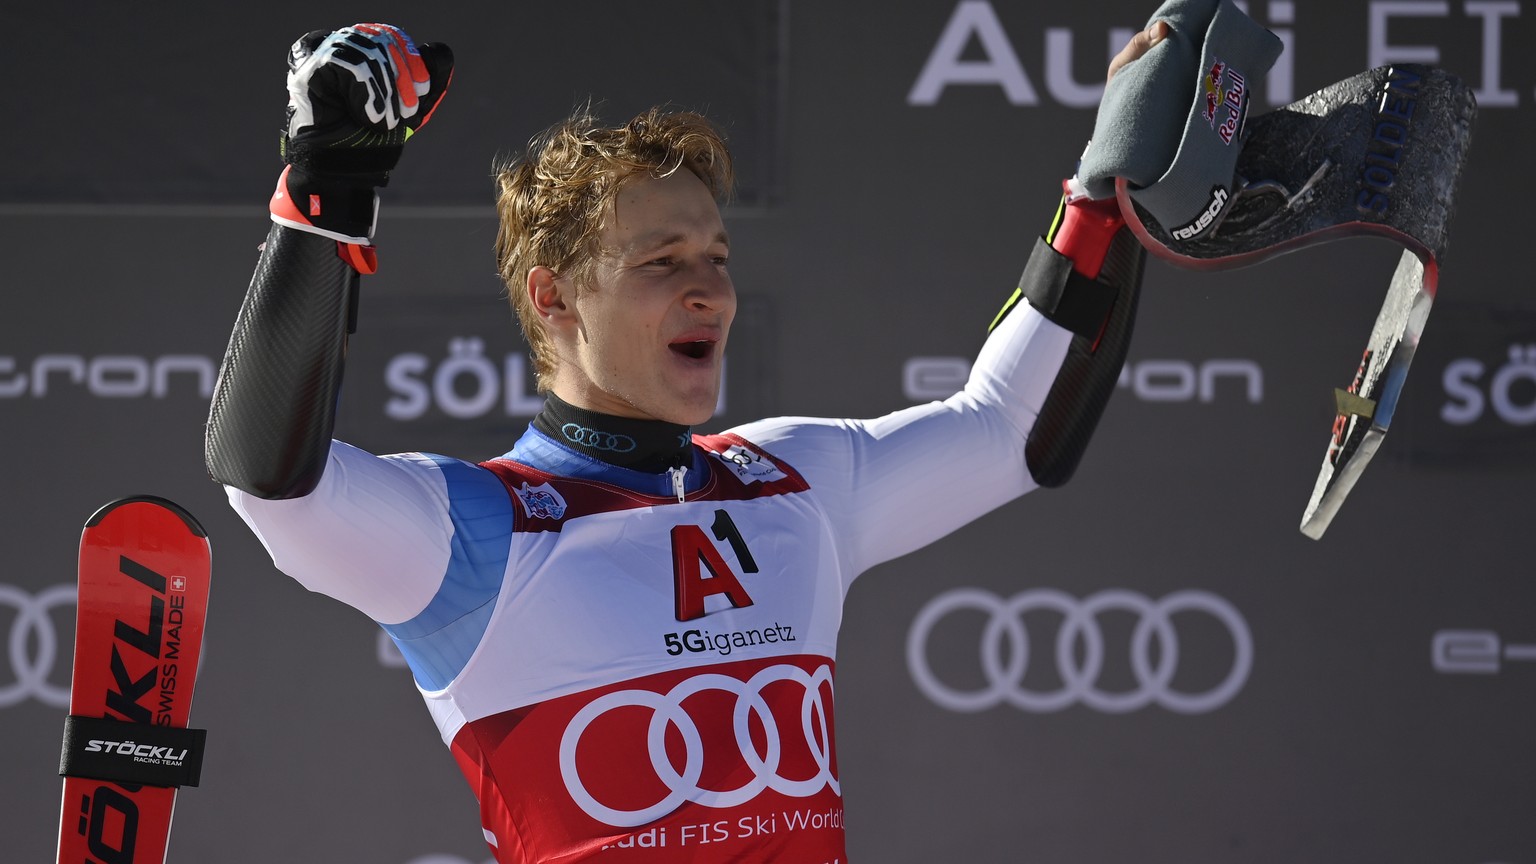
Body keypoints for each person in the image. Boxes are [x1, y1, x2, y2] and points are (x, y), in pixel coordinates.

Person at [205, 18, 1167, 864]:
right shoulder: (472, 532)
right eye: (661, 264)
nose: (709, 290)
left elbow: (1010, 427)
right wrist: (324, 197)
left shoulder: (795, 480)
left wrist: (1104, 190)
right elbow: (269, 482)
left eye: (715, 257)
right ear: (553, 299)